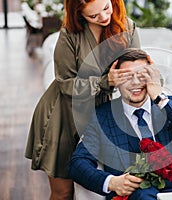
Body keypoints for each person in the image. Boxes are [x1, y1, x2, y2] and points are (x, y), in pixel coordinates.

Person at [24, 0, 140, 199]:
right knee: (63, 193)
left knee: (97, 189)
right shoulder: (69, 34)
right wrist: (105, 82)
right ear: (78, 13)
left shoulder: (127, 27)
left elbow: (135, 68)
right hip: (63, 116)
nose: (104, 17)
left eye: (106, 8)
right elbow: (65, 83)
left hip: (101, 114)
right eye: (93, 16)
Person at [68, 48, 172, 200]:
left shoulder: (171, 104)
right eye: (127, 76)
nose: (135, 82)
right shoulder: (103, 116)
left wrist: (160, 98)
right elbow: (77, 164)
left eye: (142, 75)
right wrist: (111, 182)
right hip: (137, 195)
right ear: (116, 81)